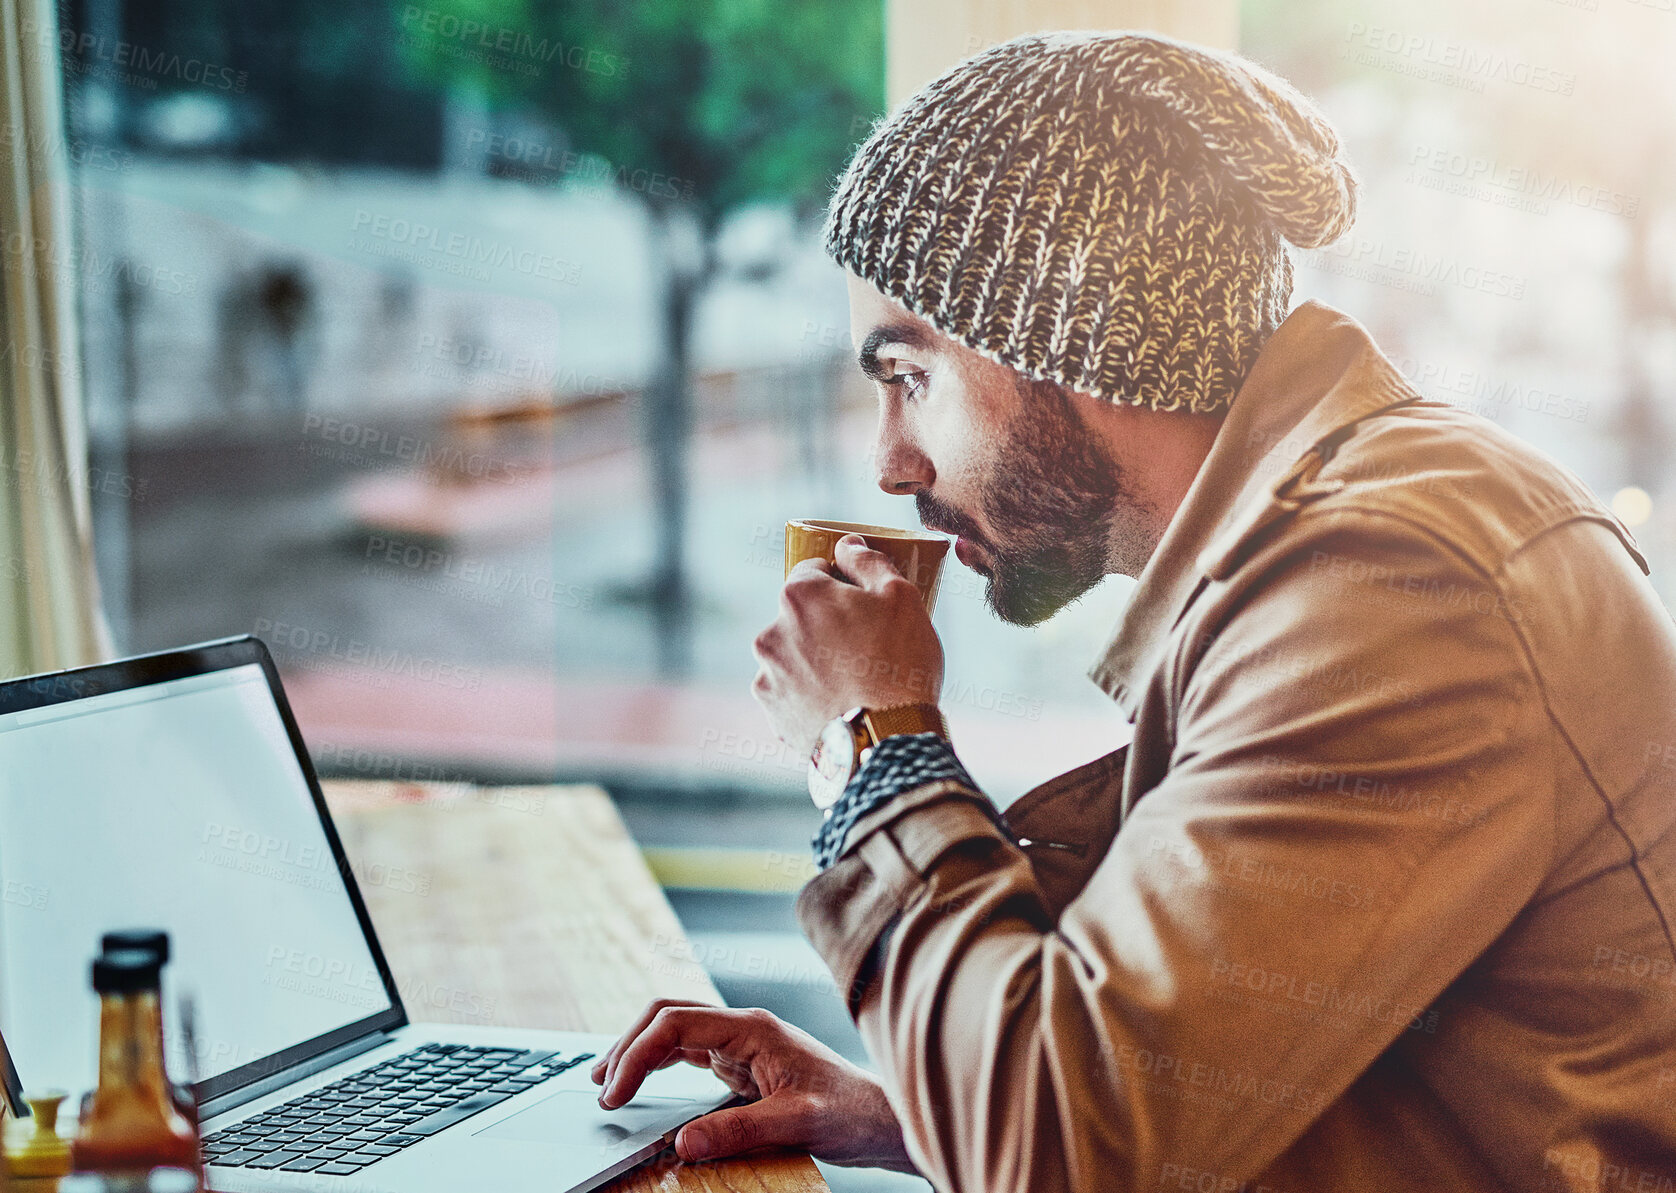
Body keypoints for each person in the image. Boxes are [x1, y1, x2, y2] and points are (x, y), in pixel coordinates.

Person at [590, 30, 1676, 1192]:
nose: (889, 463)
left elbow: (1069, 1149)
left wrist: (873, 744)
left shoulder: (1391, 586)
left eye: (909, 375)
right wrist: (904, 1111)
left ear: (1065, 328)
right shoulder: (1324, 542)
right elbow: (1224, 1079)